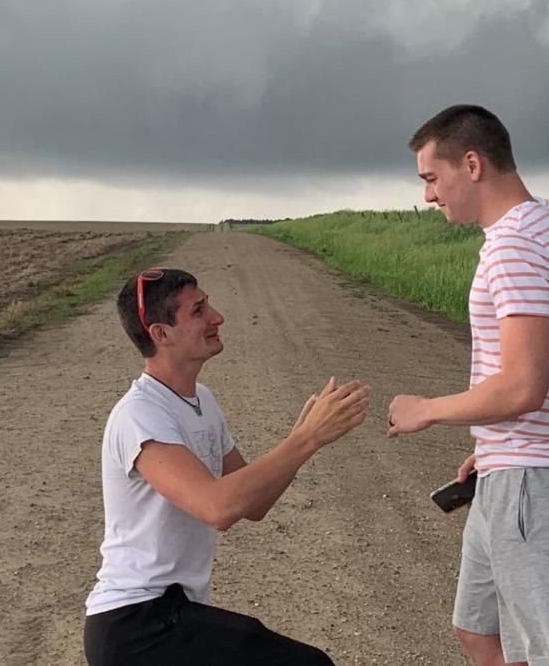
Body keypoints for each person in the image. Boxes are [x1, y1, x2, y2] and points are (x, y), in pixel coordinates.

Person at [387, 105, 549, 666]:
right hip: (516, 467)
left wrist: (428, 411)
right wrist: (491, 451)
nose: (429, 196)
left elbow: (522, 387)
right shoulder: (538, 227)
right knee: (478, 630)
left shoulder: (517, 246)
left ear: (472, 164)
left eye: (432, 179)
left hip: (540, 480)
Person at [84, 267, 370, 666]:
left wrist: (305, 439)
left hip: (170, 616)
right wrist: (306, 439)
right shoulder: (140, 415)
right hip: (137, 626)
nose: (217, 317)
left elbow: (252, 505)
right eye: (198, 310)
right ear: (160, 334)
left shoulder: (201, 399)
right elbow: (216, 508)